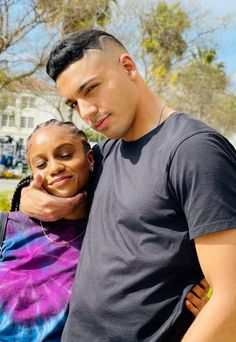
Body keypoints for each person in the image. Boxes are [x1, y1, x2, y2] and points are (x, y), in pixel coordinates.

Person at [20, 29, 236, 341]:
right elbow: (54, 185)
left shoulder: (193, 150)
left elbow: (230, 298)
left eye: (91, 89)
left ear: (128, 67)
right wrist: (26, 195)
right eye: (73, 103)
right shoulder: (104, 155)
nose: (86, 112)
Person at [0, 119, 94, 341]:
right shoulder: (8, 227)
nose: (54, 167)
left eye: (65, 155)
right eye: (41, 164)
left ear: (89, 159)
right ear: (33, 176)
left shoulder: (107, 232)